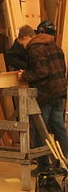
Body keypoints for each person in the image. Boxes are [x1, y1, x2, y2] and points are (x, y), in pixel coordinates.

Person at [17, 23, 68, 174]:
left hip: (46, 94)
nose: (24, 47)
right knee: (59, 128)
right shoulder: (54, 45)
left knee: (40, 130)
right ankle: (64, 163)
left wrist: (24, 75)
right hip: (59, 91)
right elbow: (60, 69)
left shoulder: (35, 48)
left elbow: (42, 72)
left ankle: (43, 166)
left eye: (22, 43)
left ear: (26, 37)